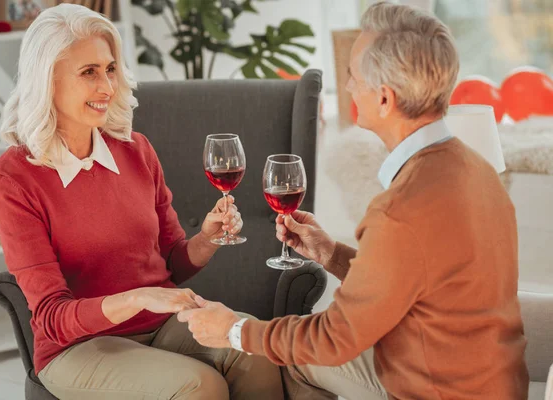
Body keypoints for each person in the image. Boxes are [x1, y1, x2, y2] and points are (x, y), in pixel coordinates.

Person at [178, 2, 529, 399]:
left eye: (352, 76)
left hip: (440, 389)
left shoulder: (401, 208)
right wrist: (330, 253)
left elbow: (334, 339)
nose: (347, 87)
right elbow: (416, 279)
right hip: (491, 381)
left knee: (290, 356)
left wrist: (234, 331)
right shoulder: (477, 168)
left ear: (383, 99)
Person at [0, 4, 283, 400]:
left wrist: (207, 239)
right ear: (48, 81)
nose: (107, 87)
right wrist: (137, 297)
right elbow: (52, 317)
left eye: (110, 69)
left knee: (255, 349)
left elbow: (171, 263)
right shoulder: (15, 177)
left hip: (160, 325)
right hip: (78, 348)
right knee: (201, 386)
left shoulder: (135, 150)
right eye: (88, 72)